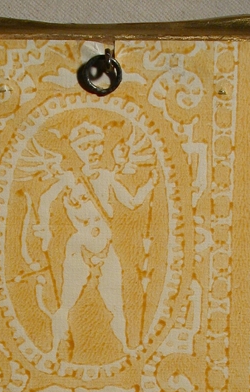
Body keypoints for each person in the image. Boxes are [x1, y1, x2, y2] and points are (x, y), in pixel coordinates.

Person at [32, 123, 158, 359]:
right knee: (67, 304)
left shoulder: (107, 177)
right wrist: (45, 229)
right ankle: (53, 350)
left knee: (116, 305)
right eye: (85, 146)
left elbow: (132, 202)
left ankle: (126, 349)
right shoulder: (70, 179)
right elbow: (45, 199)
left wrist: (149, 185)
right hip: (79, 249)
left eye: (96, 145)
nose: (93, 150)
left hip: (106, 249)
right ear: (76, 150)